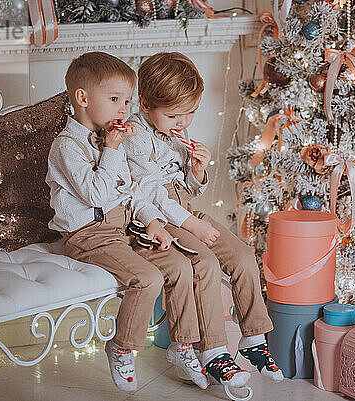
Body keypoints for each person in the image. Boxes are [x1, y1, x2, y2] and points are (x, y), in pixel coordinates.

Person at [46, 51, 213, 392]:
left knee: (180, 265)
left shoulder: (114, 140)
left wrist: (153, 221)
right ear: (83, 98)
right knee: (147, 278)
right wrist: (111, 148)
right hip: (88, 236)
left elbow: (132, 191)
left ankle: (183, 346)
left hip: (124, 229)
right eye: (115, 100)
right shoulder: (67, 147)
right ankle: (122, 345)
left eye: (126, 100)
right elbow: (96, 193)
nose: (124, 109)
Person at [124, 52, 283, 384]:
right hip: (159, 219)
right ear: (144, 104)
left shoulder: (173, 134)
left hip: (184, 210)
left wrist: (197, 173)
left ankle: (253, 337)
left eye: (191, 113)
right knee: (206, 263)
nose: (183, 122)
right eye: (174, 115)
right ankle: (212, 351)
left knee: (242, 255)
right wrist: (190, 224)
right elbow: (151, 195)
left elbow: (187, 190)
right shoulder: (135, 137)